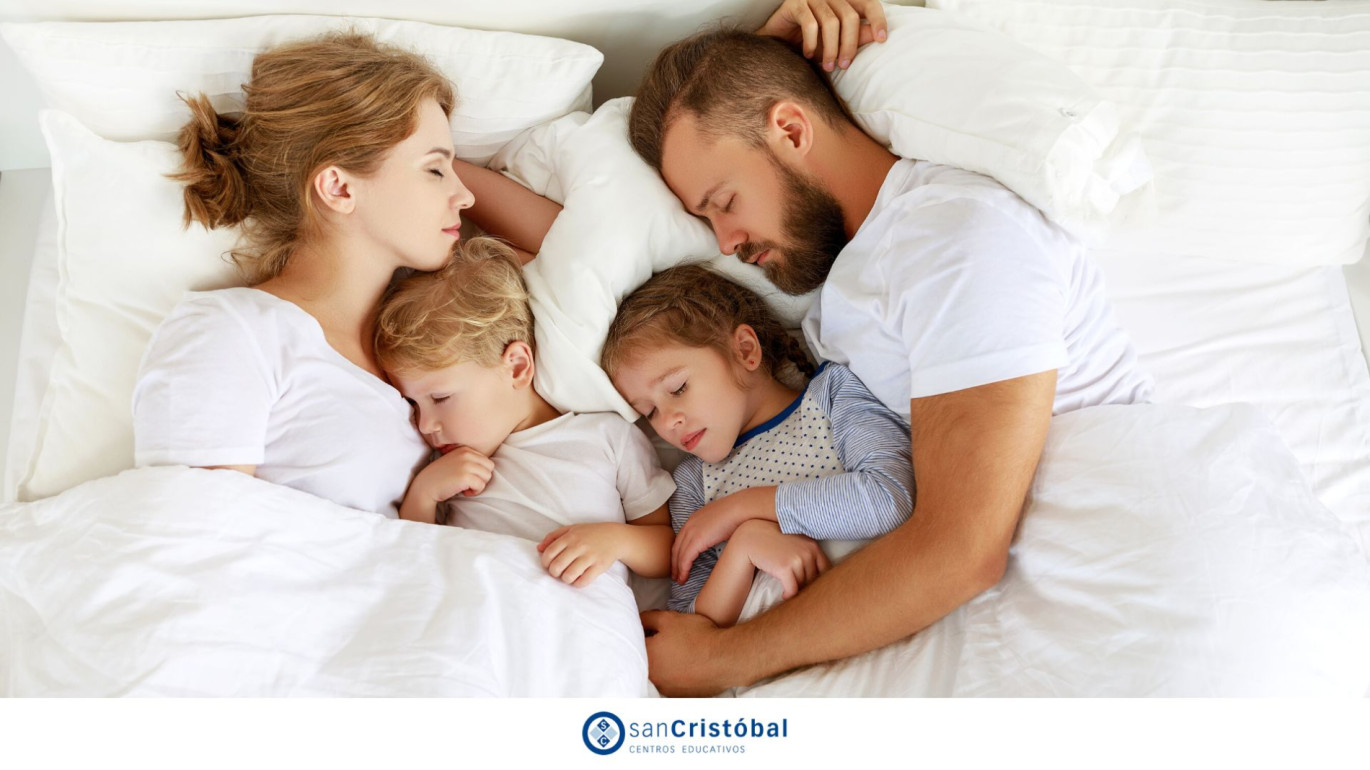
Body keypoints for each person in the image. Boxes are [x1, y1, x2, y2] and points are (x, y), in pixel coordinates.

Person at [626, 20, 1155, 692]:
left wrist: (717, 659)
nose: (726, 242)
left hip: (1115, 568)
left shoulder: (954, 239)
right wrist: (751, 54)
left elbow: (962, 551)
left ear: (791, 130)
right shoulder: (858, 270)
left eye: (725, 203)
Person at [132, 31, 559, 516]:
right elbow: (192, 538)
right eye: (435, 171)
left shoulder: (429, 324)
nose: (465, 196)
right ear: (338, 187)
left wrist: (430, 155)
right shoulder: (234, 331)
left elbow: (562, 245)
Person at [601, 264, 913, 627]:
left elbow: (891, 498)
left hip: (884, 608)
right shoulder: (692, 485)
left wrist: (740, 510)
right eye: (650, 412)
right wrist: (744, 547)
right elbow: (689, 626)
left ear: (744, 350)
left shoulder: (832, 395)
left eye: (678, 388)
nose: (668, 422)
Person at [374, 247, 676, 588]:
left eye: (440, 398)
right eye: (413, 405)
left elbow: (668, 551)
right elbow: (416, 566)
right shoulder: (445, 473)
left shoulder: (606, 436)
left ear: (517, 367)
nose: (424, 425)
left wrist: (616, 540)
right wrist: (423, 495)